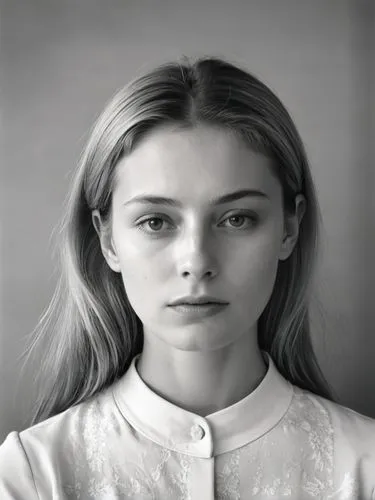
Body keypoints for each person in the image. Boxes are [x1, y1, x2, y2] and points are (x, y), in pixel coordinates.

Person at [0, 55, 374, 499]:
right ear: (107, 239)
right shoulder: (31, 476)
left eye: (237, 219)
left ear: (289, 229)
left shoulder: (365, 467)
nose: (196, 261)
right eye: (156, 221)